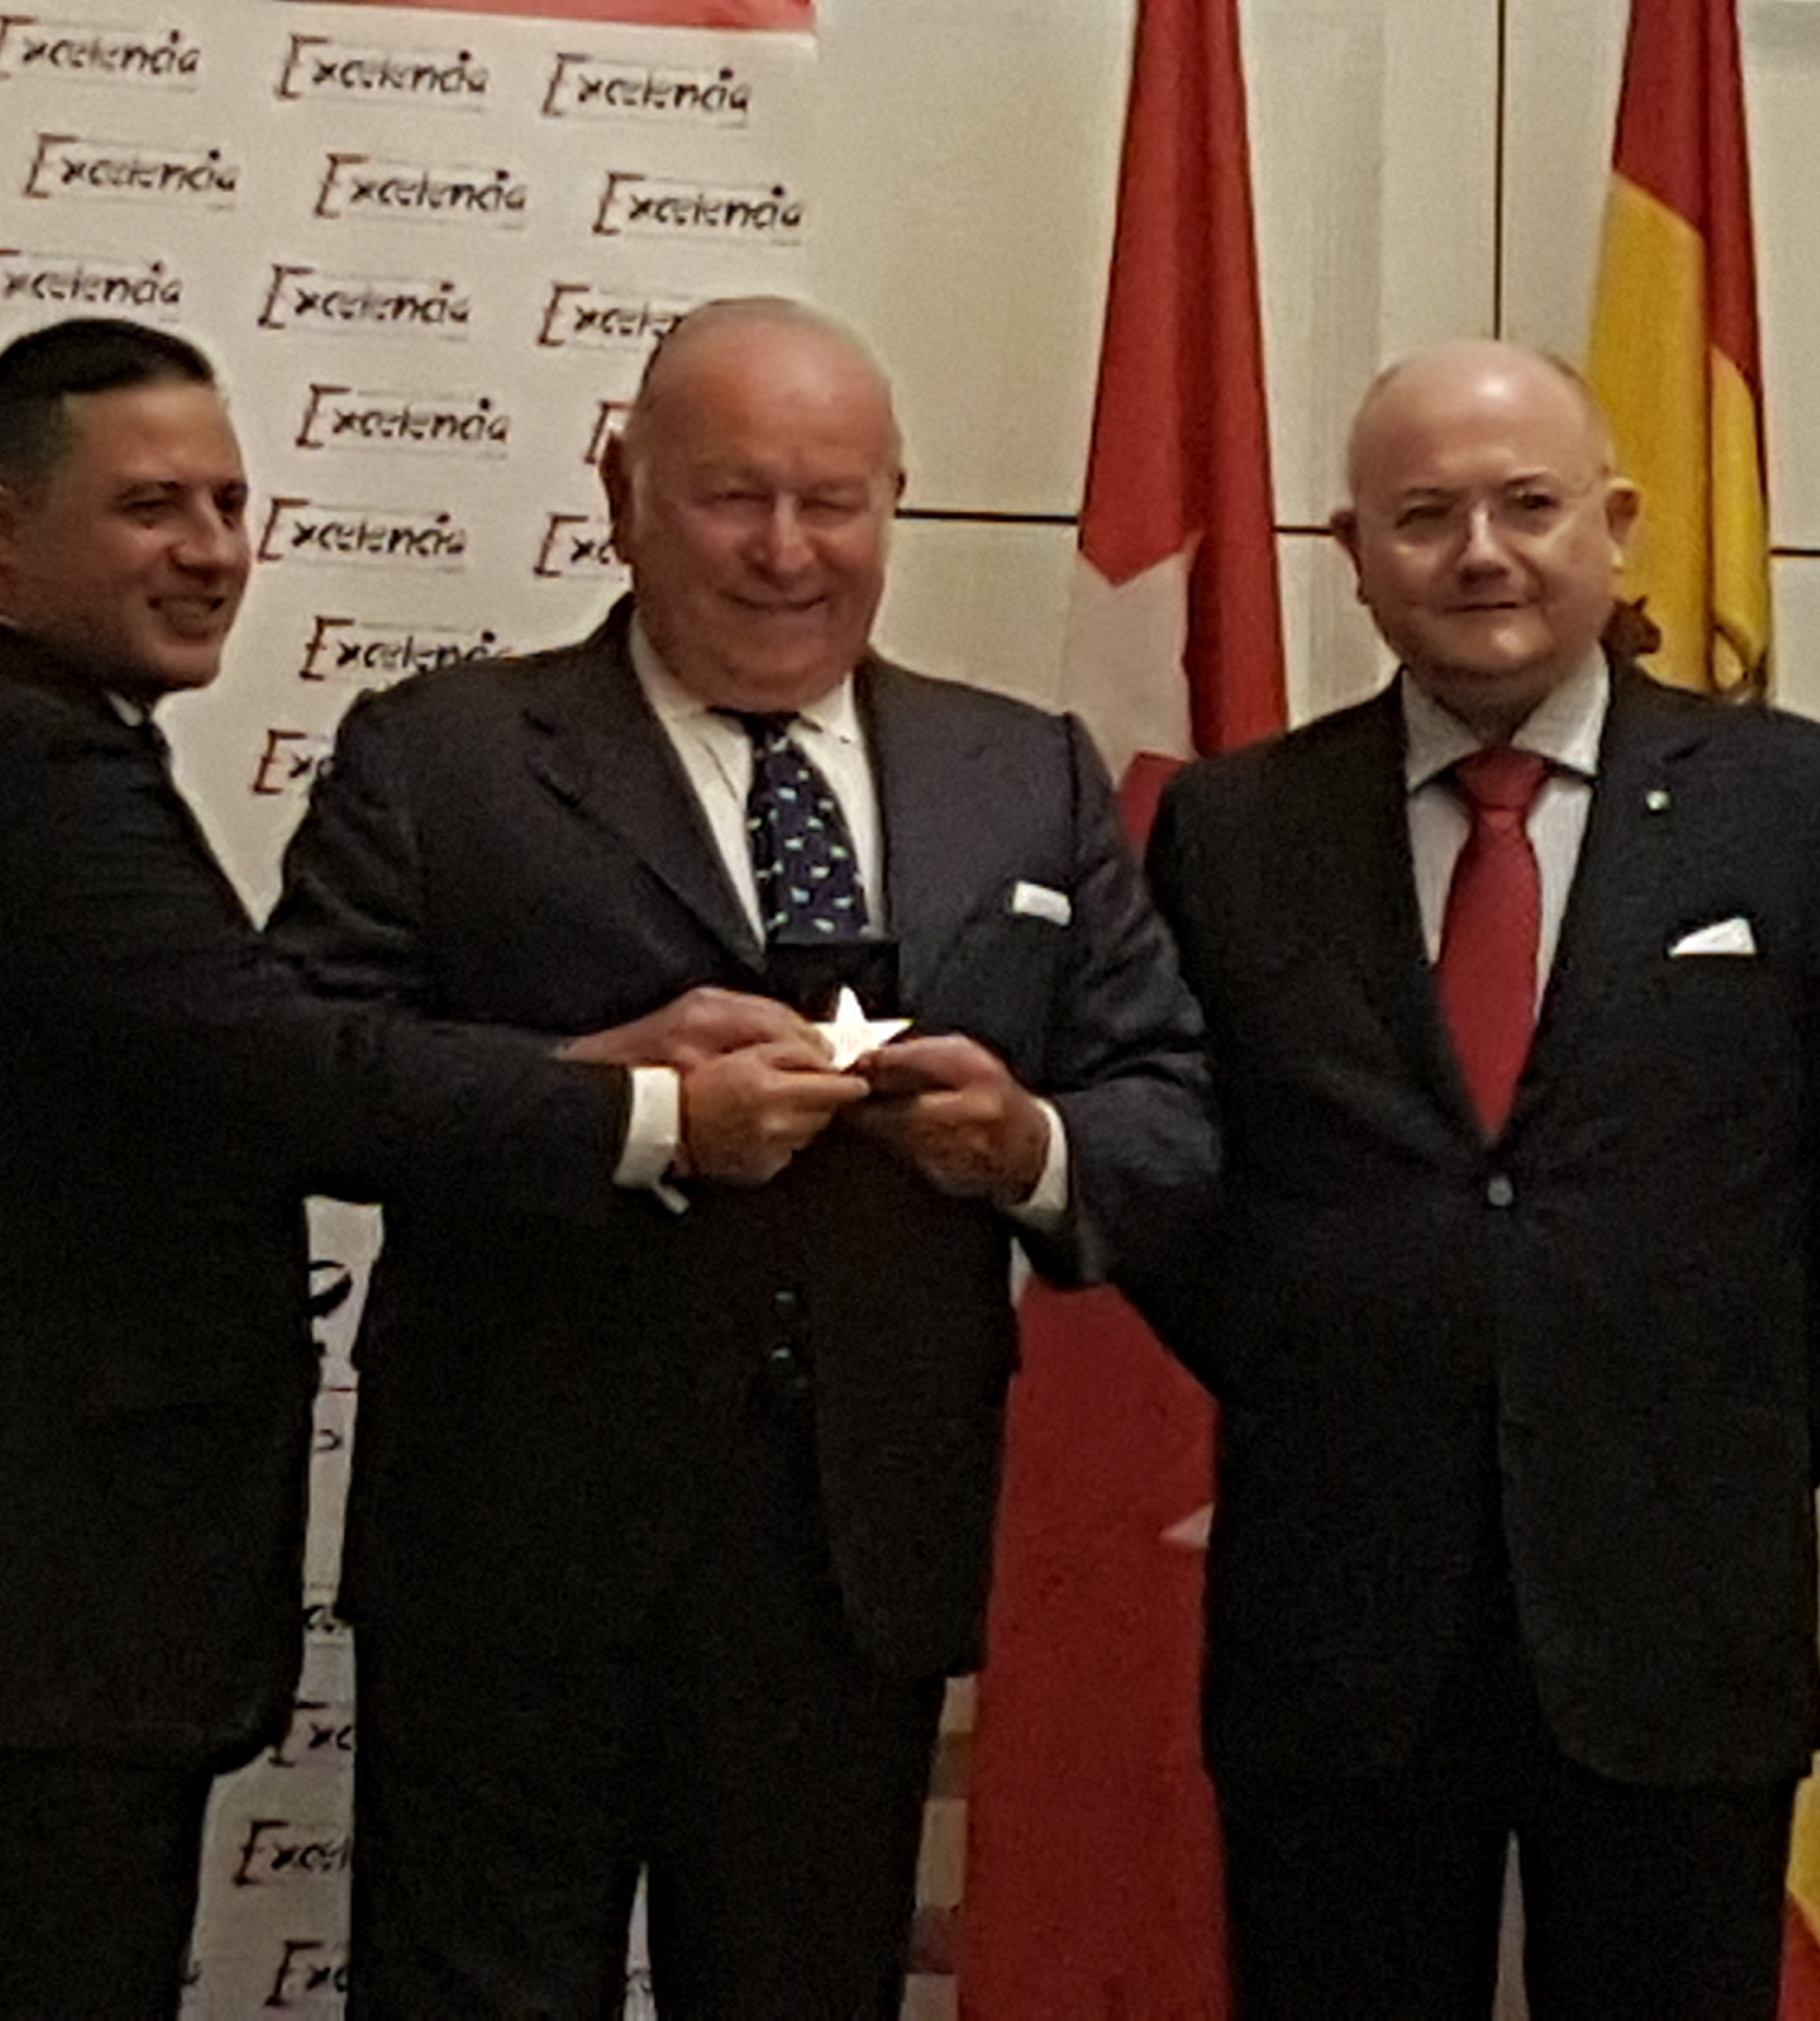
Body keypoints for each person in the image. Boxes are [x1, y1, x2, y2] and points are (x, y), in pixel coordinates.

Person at [265, 295, 1212, 2017]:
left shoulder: (1025, 774)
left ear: (893, 503)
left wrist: (1029, 1147)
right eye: (733, 497)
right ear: (623, 492)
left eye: (833, 502)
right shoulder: (444, 758)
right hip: (512, 1563)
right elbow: (305, 1084)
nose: (788, 552)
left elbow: (1169, 1107)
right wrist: (626, 1111)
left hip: (853, 1572)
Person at [1141, 338, 1820, 2019]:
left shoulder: (1803, 809)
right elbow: (1178, 1195)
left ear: (1616, 524)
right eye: (1424, 516)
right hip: (1341, 1621)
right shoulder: (1235, 832)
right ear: (1353, 556)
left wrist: (1702, 1440)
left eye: (1529, 505)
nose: (1482, 554)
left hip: (1680, 1627)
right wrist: (1353, 1389)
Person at [0, 319, 624, 2018]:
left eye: (231, 504)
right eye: (149, 506)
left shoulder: (48, 742)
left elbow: (248, 1055)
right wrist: (642, 1112)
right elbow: (284, 1076)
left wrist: (596, 1068)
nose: (210, 551)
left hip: (36, 1622)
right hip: (25, 1625)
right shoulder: (27, 770)